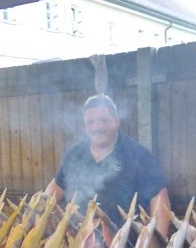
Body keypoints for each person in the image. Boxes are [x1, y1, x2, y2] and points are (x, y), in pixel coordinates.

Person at [45, 94, 171, 238]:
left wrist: (159, 244)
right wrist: (40, 209)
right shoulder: (74, 154)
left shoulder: (139, 156)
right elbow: (57, 186)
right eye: (90, 122)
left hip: (123, 244)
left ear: (116, 121)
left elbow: (159, 197)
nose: (96, 127)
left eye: (103, 120)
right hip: (77, 241)